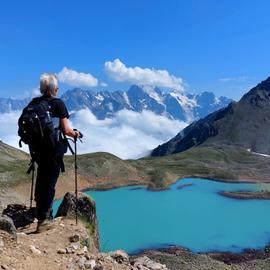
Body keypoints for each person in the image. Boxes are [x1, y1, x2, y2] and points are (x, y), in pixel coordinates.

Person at [34, 73, 80, 233]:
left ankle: (40, 212)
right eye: (57, 87)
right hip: (52, 150)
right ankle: (44, 221)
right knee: (50, 184)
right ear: (54, 89)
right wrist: (76, 134)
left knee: (41, 180)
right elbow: (66, 130)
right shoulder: (58, 103)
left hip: (37, 150)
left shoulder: (34, 103)